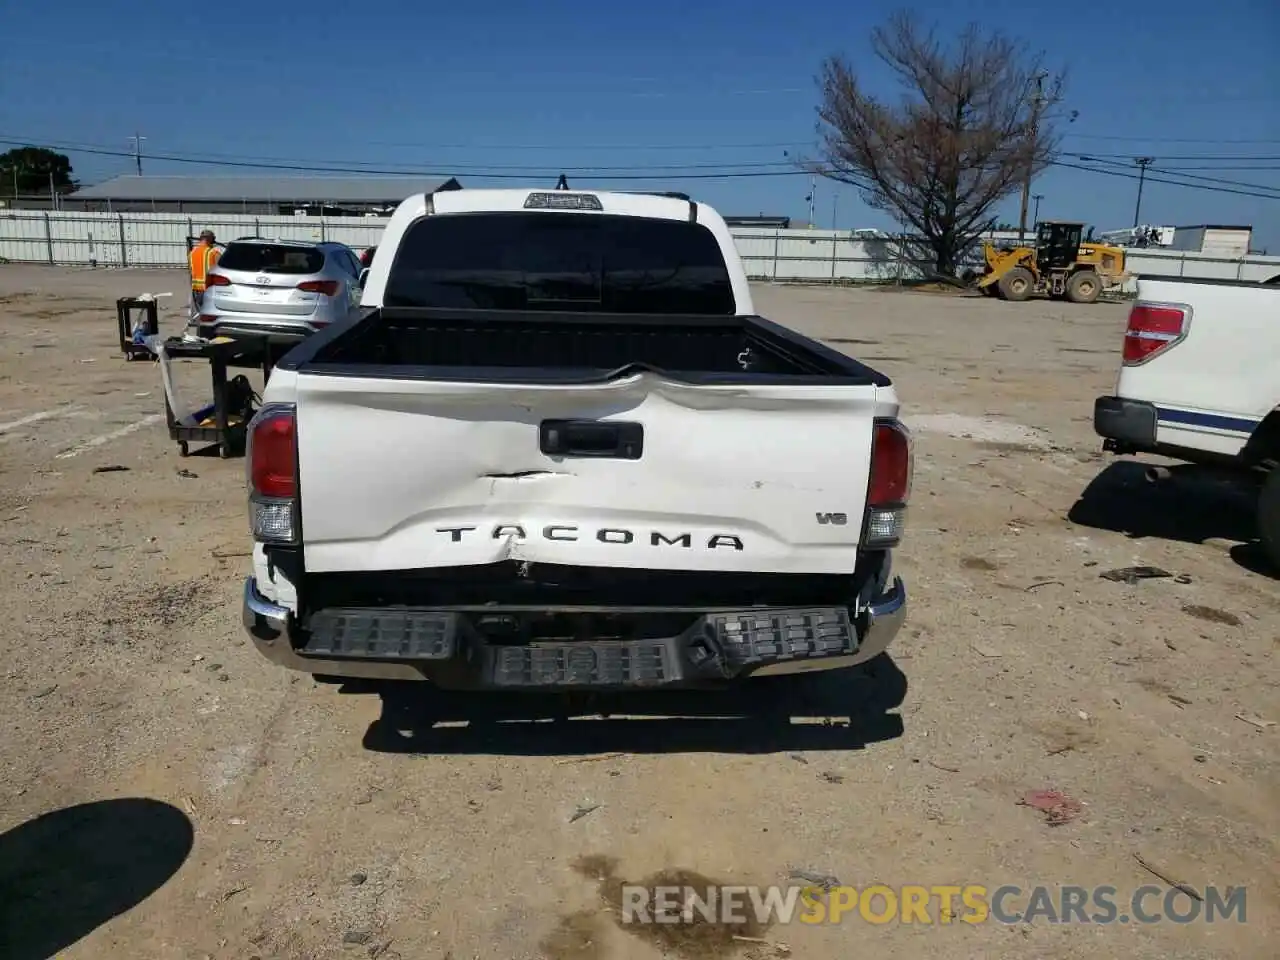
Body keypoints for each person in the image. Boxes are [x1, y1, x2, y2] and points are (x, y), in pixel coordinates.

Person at [189, 230, 222, 313]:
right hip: (209, 288)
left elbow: (191, 270)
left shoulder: (192, 253)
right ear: (210, 239)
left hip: (196, 288)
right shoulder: (213, 252)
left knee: (201, 312)